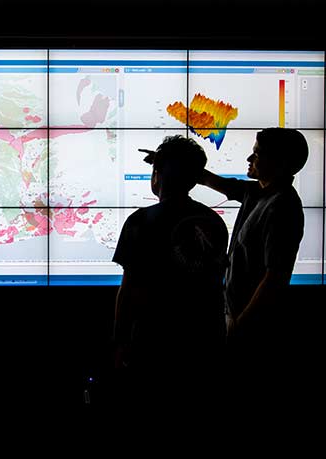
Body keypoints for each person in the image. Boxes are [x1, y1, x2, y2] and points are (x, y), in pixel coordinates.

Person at [110, 134, 228, 455]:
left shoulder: (141, 221)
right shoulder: (212, 222)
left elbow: (130, 289)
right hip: (203, 341)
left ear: (157, 174)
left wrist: (120, 342)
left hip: (153, 342)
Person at [197, 127, 309, 457]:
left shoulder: (282, 208)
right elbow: (222, 185)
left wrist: (240, 324)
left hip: (254, 331)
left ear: (281, 162)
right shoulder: (259, 194)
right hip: (240, 323)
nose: (250, 158)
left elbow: (275, 278)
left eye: (257, 153)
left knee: (248, 410)